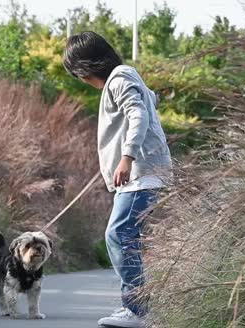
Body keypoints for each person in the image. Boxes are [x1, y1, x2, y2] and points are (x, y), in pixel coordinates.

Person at [63, 31, 172, 328]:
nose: (81, 80)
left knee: (119, 234)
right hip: (144, 173)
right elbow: (147, 103)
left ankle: (137, 310)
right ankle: (138, 307)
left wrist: (127, 157)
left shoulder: (118, 80)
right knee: (128, 238)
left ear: (86, 68)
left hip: (141, 174)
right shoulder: (127, 78)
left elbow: (138, 114)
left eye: (78, 74)